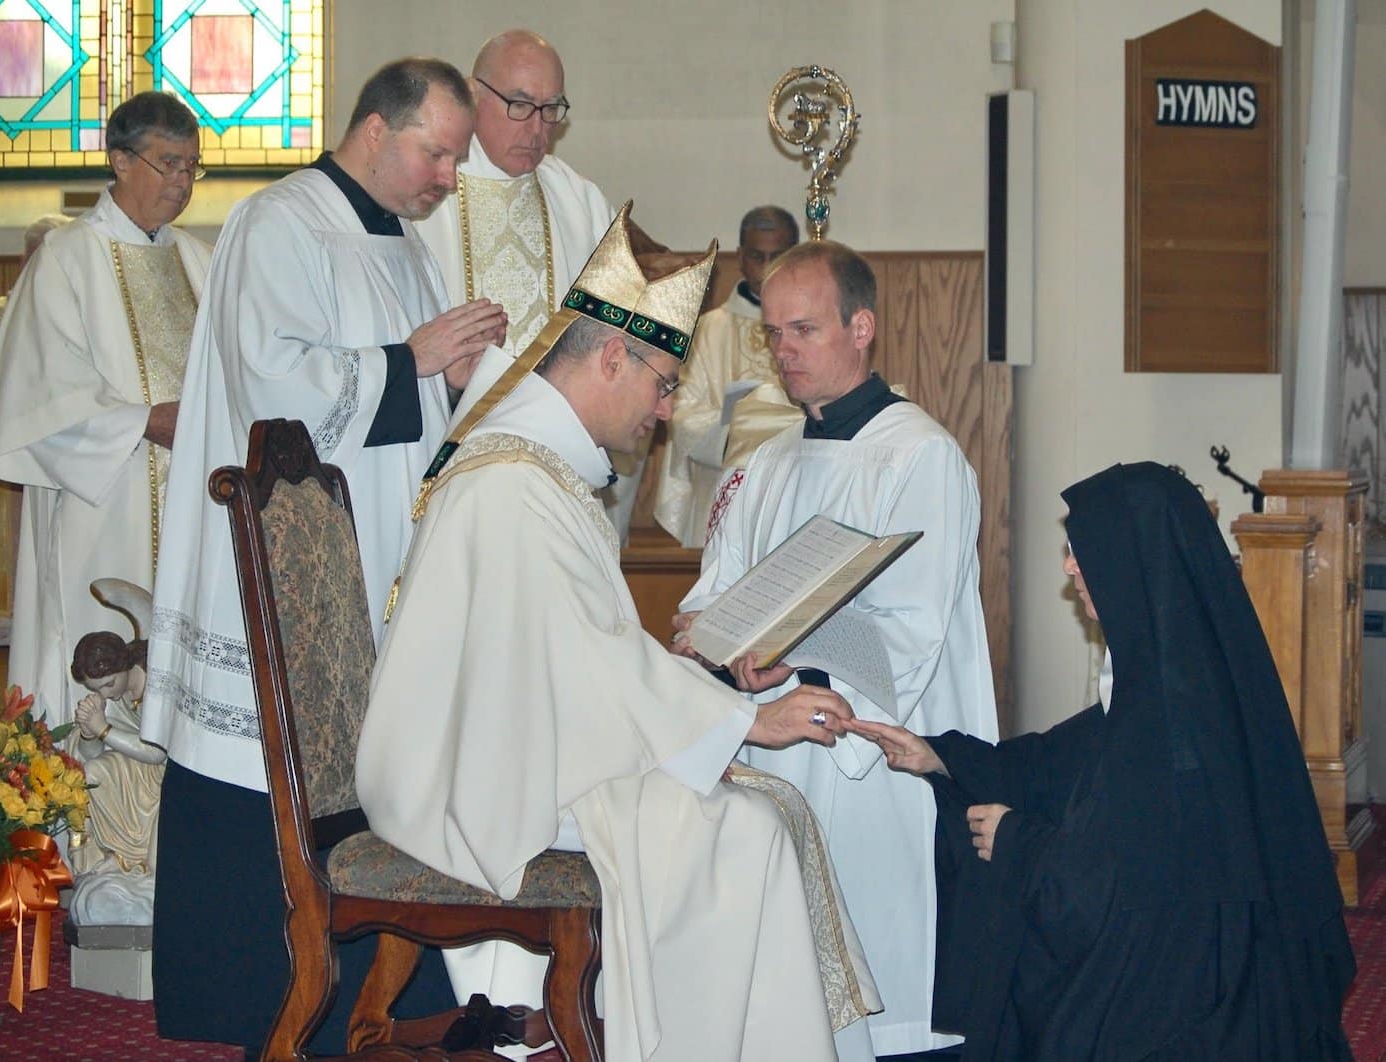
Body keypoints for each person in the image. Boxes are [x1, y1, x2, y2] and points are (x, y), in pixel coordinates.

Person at [359, 205, 881, 1062]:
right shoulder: (513, 483)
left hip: (513, 754)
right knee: (738, 832)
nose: (667, 412)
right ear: (611, 354)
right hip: (468, 782)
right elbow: (584, 661)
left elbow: (577, 655)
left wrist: (706, 700)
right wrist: (743, 721)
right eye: (663, 384)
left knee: (748, 810)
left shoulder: (537, 471)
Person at [142, 58, 504, 1053]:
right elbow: (275, 386)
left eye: (454, 158)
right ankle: (254, 999)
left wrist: (451, 379)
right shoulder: (282, 223)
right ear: (377, 129)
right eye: (436, 151)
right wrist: (412, 362)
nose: (445, 175)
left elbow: (407, 415)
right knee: (268, 770)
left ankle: (376, 1001)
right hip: (282, 568)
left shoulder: (405, 245)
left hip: (373, 564)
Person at [852, 462, 1357, 1061]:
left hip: (1192, 1005)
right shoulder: (1165, 670)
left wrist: (1016, 841)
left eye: (1081, 552)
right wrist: (941, 756)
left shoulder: (1178, 714)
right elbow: (1062, 763)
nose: (1069, 567)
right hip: (1176, 972)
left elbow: (1134, 891)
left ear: (1131, 563)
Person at [674, 239, 999, 1059]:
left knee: (874, 978)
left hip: (865, 761)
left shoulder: (919, 457)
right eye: (774, 334)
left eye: (804, 331)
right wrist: (714, 644)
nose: (783, 352)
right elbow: (711, 594)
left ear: (862, 328)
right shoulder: (765, 461)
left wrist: (788, 644)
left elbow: (910, 632)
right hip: (768, 744)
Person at [0, 92, 211, 732]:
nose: (181, 182)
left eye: (192, 166)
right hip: (103, 503)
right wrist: (143, 422)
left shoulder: (198, 262)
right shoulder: (67, 259)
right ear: (119, 159)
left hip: (193, 507)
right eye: (167, 163)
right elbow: (40, 393)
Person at [414, 30, 644, 541]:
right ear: (475, 94)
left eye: (550, 108)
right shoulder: (426, 195)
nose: (537, 128)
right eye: (520, 105)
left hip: (556, 470)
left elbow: (620, 334)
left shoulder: (579, 202)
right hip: (451, 459)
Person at [654, 205, 799, 547]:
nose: (765, 270)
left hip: (794, 485)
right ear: (741, 257)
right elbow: (683, 412)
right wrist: (740, 432)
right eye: (756, 256)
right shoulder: (709, 330)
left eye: (777, 257)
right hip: (722, 487)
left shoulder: (810, 330)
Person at [66, 631, 166, 926]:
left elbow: (157, 751)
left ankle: (141, 867)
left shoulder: (157, 681)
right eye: (98, 689)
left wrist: (103, 729)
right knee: (94, 773)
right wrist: (87, 731)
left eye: (110, 684)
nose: (107, 694)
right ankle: (118, 859)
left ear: (124, 665)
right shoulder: (115, 694)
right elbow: (89, 755)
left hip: (167, 772)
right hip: (136, 769)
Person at [0, 213, 73, 328]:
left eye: (53, 265)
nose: (40, 272)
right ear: (22, 263)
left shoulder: (83, 320)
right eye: (33, 262)